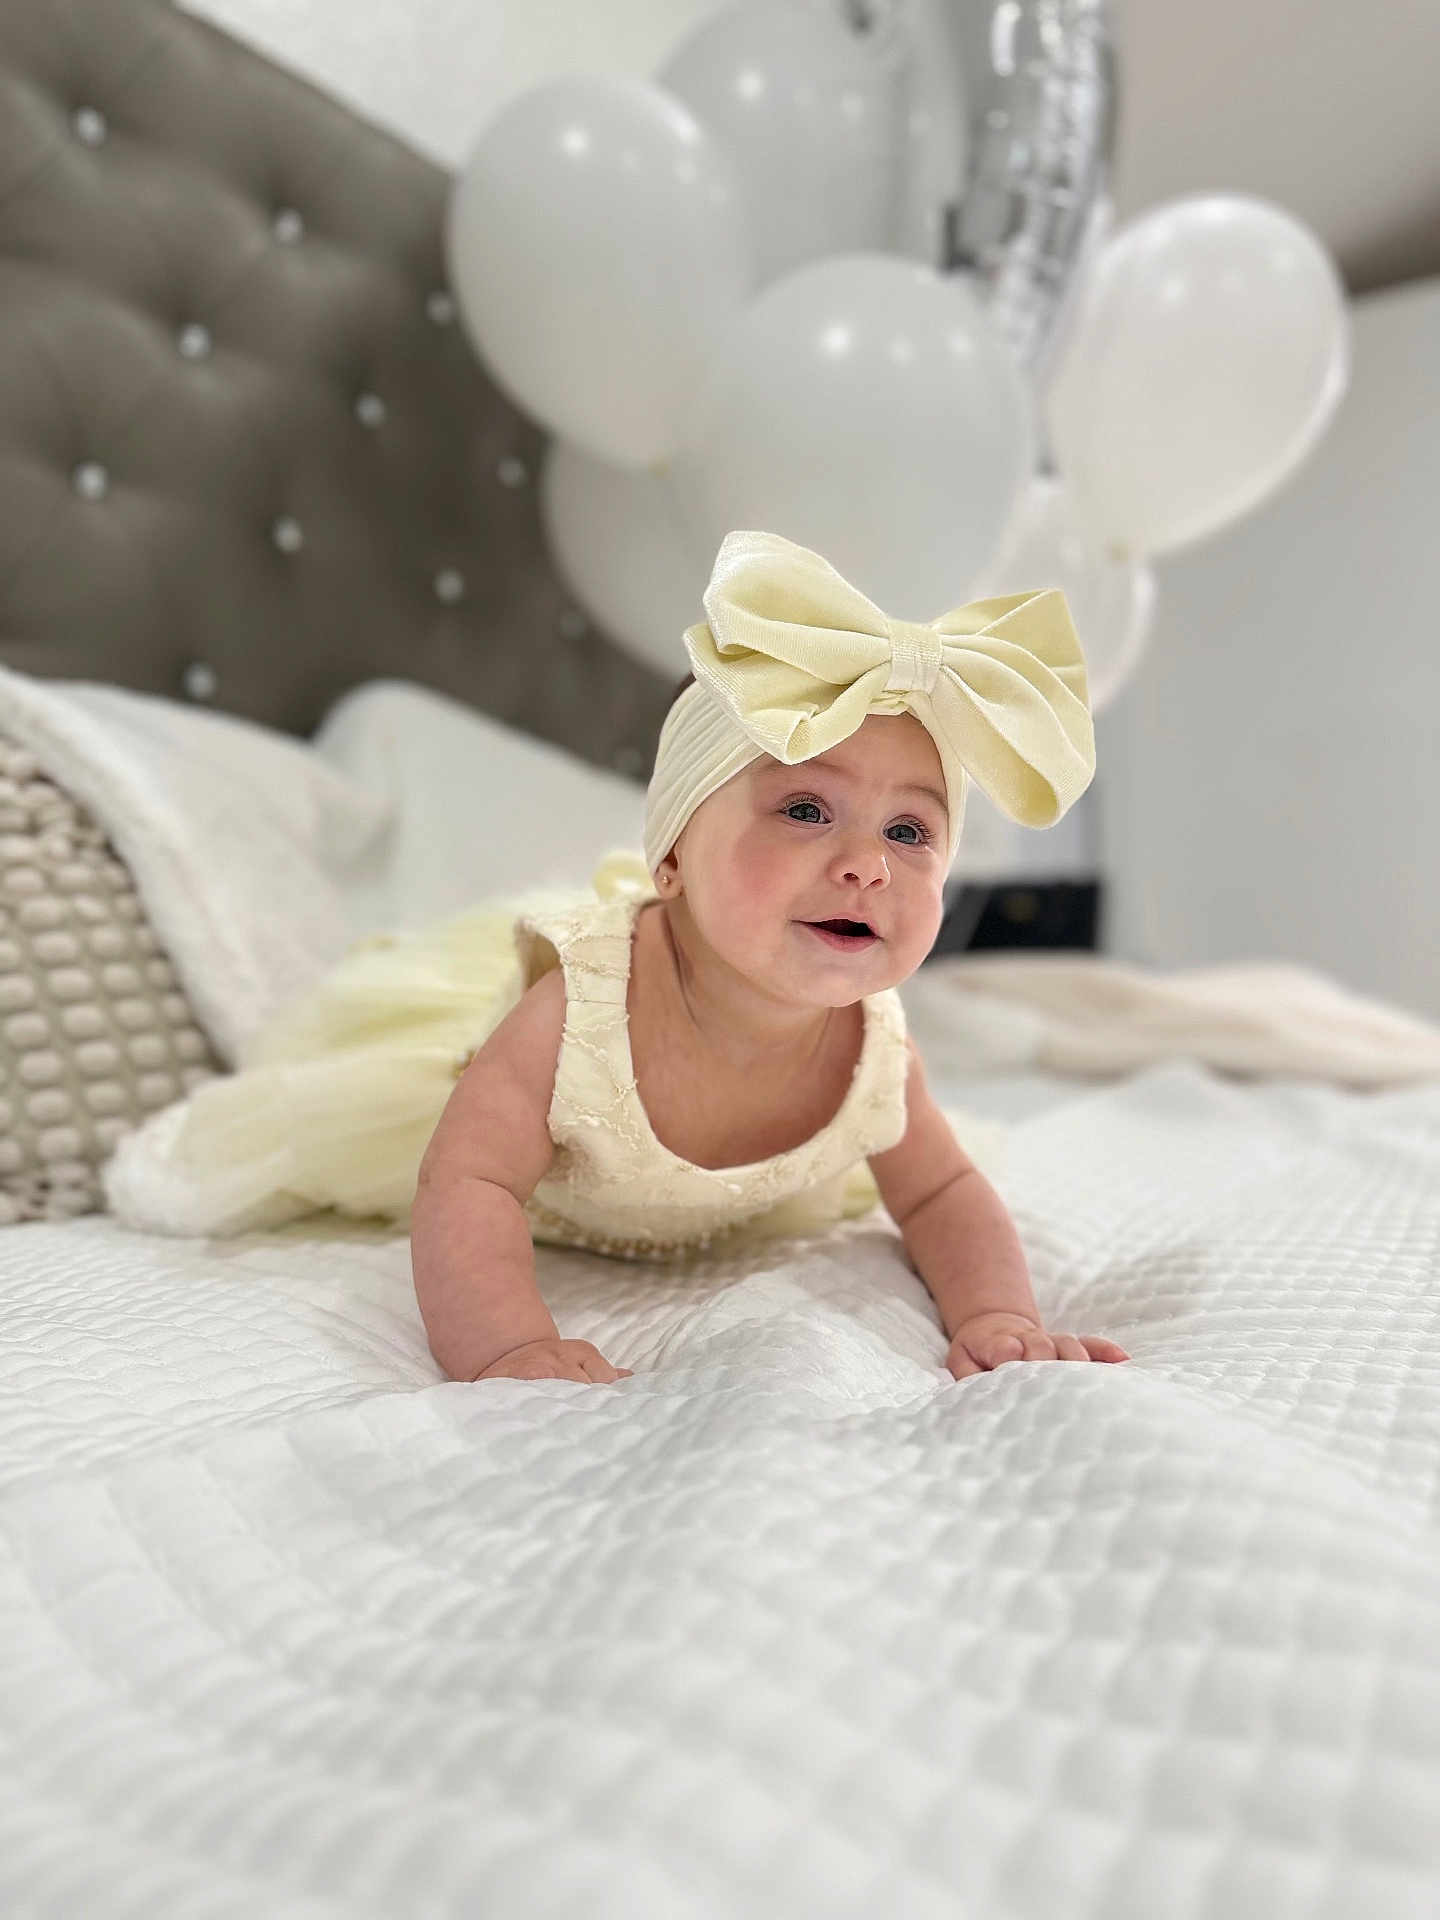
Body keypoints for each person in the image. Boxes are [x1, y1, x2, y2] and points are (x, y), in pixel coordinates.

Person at [107, 529, 1131, 1389]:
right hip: (535, 1153)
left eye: (912, 833)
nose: (867, 865)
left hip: (706, 1193)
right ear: (674, 855)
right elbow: (469, 1181)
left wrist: (996, 1315)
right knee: (406, 1127)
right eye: (806, 809)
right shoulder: (583, 1010)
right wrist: (510, 1344)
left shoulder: (874, 1048)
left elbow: (941, 1194)